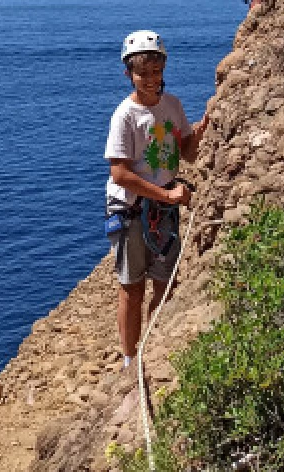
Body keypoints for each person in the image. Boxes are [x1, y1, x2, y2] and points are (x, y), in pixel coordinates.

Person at [104, 30, 209, 369]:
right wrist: (166, 194)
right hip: (132, 209)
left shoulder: (172, 106)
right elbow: (119, 174)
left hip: (163, 207)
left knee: (165, 283)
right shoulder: (125, 116)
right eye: (142, 73)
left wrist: (201, 129)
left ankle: (152, 347)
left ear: (164, 70)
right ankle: (130, 359)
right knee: (132, 288)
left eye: (155, 72)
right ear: (129, 75)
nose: (150, 79)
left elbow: (186, 154)